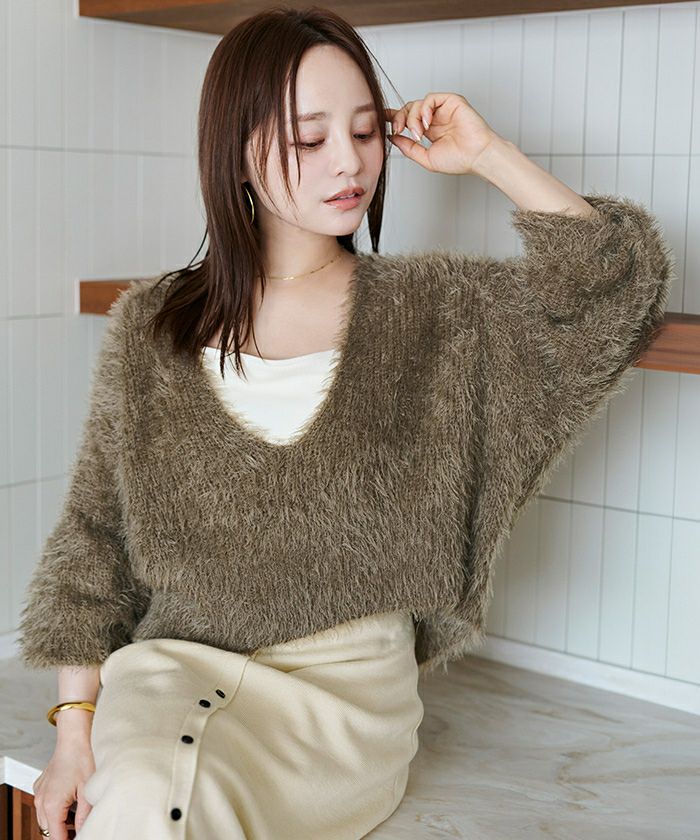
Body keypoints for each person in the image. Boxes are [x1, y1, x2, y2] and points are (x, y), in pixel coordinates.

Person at [18, 6, 673, 840]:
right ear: (237, 152)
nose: (349, 161)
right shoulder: (154, 325)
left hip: (345, 704)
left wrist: (489, 155)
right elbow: (94, 539)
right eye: (310, 137)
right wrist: (74, 735)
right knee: (143, 798)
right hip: (166, 676)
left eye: (366, 132)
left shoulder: (438, 315)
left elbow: (615, 291)